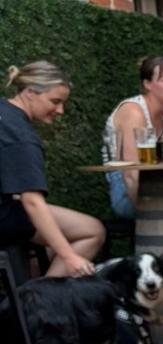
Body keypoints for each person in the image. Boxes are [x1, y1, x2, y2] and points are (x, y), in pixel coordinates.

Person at [1, 61, 103, 277]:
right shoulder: (22, 137)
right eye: (55, 101)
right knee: (91, 231)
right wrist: (70, 257)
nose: (60, 110)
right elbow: (33, 202)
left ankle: (27, 287)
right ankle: (42, 302)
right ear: (29, 93)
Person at [101, 56, 163, 218]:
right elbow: (131, 174)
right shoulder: (133, 111)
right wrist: (148, 210)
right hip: (126, 192)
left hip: (157, 184)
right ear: (147, 85)